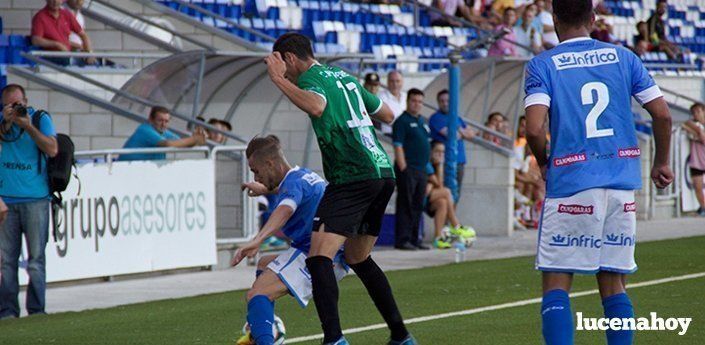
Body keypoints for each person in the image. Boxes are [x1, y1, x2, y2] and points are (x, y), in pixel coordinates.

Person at [524, 1, 674, 344]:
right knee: (613, 283)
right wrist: (661, 162)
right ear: (593, 20)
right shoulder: (624, 57)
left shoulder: (543, 64)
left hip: (571, 184)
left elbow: (534, 129)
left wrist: (544, 162)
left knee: (557, 282)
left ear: (554, 19)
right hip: (621, 185)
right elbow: (663, 115)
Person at [265, 33, 415, 345]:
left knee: (318, 257)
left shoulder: (311, 79)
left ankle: (334, 340)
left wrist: (279, 81)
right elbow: (388, 114)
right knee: (359, 257)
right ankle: (401, 336)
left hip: (352, 173)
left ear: (289, 59)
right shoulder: (344, 77)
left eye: (282, 64)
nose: (285, 71)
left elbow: (317, 107)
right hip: (382, 172)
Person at [231, 135, 349, 345]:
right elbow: (288, 190)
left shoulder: (292, 186)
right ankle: (264, 325)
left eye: (256, 171)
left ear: (269, 163)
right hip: (332, 253)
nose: (255, 177)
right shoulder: (302, 175)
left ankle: (265, 334)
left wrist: (257, 239)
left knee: (256, 295)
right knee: (264, 263)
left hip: (318, 256)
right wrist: (265, 188)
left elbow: (285, 209)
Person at [0, 84, 59, 319]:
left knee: (36, 258)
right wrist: (6, 122)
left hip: (35, 199)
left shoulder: (39, 118)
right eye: (10, 105)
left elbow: (52, 148)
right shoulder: (2, 122)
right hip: (7, 200)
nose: (15, 108)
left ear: (26, 101)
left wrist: (27, 126)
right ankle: (7, 311)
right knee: (6, 261)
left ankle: (36, 310)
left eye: (19, 104)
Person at [393, 89, 431, 251]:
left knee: (417, 205)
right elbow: (398, 145)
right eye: (414, 101)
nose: (417, 104)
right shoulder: (402, 121)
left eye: (420, 101)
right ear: (408, 101)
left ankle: (415, 239)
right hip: (408, 169)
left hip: (421, 170)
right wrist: (403, 167)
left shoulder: (422, 121)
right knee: (405, 204)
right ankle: (403, 240)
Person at [425, 142, 476, 249]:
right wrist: (439, 166)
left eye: (443, 152)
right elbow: (438, 186)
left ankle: (438, 238)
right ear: (431, 152)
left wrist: (434, 181)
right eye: (437, 152)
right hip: (421, 198)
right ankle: (456, 225)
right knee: (447, 192)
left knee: (442, 202)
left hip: (431, 198)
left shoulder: (438, 165)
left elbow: (438, 186)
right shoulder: (427, 163)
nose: (440, 155)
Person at [428, 89, 475, 201]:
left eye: (447, 101)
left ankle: (449, 219)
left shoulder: (456, 117)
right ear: (438, 102)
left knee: (455, 195)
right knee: (445, 196)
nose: (445, 103)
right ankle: (447, 219)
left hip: (459, 161)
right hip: (444, 162)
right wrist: (461, 130)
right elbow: (452, 135)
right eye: (442, 101)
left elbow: (471, 134)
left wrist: (459, 131)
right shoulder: (435, 118)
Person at [118, 106, 206, 161]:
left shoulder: (164, 132)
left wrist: (196, 139)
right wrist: (194, 139)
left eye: (166, 121)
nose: (164, 124)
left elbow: (182, 143)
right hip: (127, 172)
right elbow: (168, 144)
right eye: (160, 120)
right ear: (151, 120)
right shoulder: (145, 129)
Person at [31, 0, 94, 66]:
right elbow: (36, 40)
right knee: (74, 62)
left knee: (96, 62)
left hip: (67, 55)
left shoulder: (66, 14)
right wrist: (57, 44)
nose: (55, 2)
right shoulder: (40, 17)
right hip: (51, 56)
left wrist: (89, 53)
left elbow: (83, 35)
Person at [682, 103, 705, 216]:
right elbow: (685, 124)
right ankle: (703, 208)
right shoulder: (694, 125)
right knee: (698, 186)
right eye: (694, 112)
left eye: (698, 111)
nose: (696, 114)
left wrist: (698, 132)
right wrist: (698, 131)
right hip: (697, 162)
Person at [377, 70, 406, 136]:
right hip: (389, 135)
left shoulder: (406, 96)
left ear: (402, 82)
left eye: (397, 81)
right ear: (387, 82)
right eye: (392, 81)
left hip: (406, 134)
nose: (395, 84)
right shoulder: (381, 97)